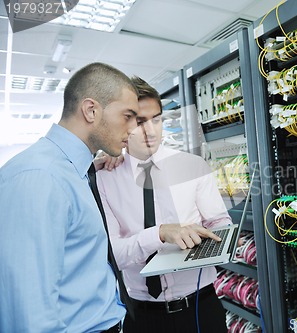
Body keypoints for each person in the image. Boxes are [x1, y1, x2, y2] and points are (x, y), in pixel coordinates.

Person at [0, 62, 139, 332]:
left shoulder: (71, 171)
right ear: (91, 110)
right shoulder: (41, 177)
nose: (133, 128)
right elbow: (31, 316)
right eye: (127, 115)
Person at [96, 76, 229, 332]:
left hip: (201, 306)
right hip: (143, 315)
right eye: (139, 122)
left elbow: (219, 223)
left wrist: (215, 236)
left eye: (156, 119)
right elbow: (113, 255)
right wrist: (159, 234)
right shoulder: (104, 178)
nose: (151, 131)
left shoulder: (193, 166)